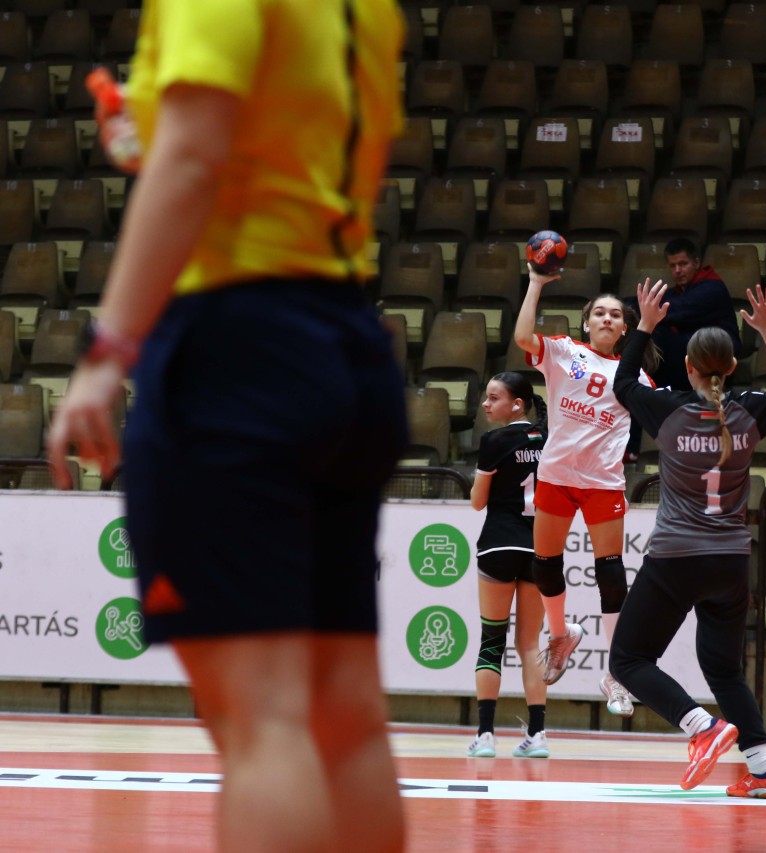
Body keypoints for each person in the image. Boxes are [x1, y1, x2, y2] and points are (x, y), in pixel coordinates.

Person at [45, 2, 408, 850]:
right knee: (346, 716)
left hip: (237, 346)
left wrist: (108, 351)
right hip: (347, 336)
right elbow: (275, 145)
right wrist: (155, 134)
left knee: (260, 720)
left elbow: (195, 157)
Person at [610, 280, 766, 797]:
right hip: (731, 561)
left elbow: (623, 383)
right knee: (723, 668)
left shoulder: (668, 410)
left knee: (627, 661)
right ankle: (764, 771)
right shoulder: (749, 411)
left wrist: (645, 325)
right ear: (731, 367)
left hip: (676, 557)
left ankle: (701, 727)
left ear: (687, 366)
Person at [512, 267, 657, 716]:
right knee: (544, 566)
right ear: (586, 322)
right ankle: (561, 634)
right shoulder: (563, 351)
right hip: (557, 474)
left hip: (601, 482)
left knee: (611, 575)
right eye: (600, 313)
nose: (607, 319)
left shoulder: (636, 379)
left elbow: (661, 417)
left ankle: (617, 673)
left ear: (626, 328)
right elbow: (522, 338)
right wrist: (536, 283)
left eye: (616, 315)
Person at [467, 372, 551, 759]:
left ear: (517, 404)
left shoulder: (494, 441)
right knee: (530, 644)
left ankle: (485, 736)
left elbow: (477, 502)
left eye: (493, 397)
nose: (486, 404)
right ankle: (538, 735)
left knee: (492, 641)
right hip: (539, 550)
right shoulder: (549, 440)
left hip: (498, 545)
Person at [640, 238, 742, 392]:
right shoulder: (677, 292)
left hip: (717, 351)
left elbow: (673, 312)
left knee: (657, 334)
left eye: (683, 264)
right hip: (692, 350)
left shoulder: (712, 288)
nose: (677, 270)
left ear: (696, 263)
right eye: (673, 266)